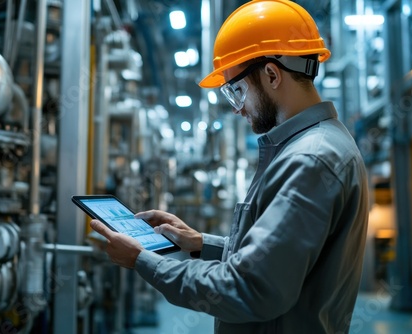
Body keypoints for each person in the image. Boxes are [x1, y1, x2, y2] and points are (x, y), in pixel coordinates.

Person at [90, 0, 369, 333]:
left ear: (271, 74)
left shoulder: (308, 160)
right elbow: (280, 261)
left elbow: (250, 288)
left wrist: (143, 260)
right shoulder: (313, 147)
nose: (237, 109)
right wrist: (199, 243)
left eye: (237, 91)